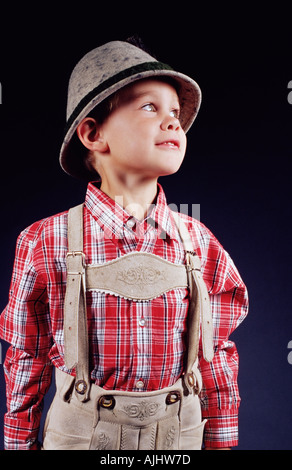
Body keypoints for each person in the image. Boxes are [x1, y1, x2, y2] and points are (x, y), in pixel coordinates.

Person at [0, 37, 248, 450]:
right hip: (79, 437)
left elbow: (217, 355)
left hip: (176, 441)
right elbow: (26, 358)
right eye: (150, 107)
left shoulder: (198, 240)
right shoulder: (45, 240)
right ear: (94, 134)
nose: (173, 122)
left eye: (175, 113)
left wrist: (222, 443)